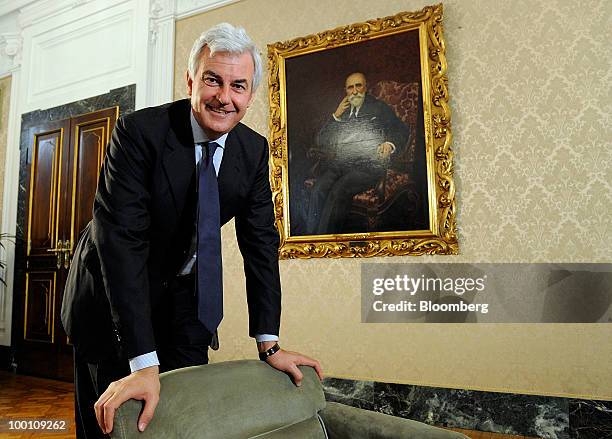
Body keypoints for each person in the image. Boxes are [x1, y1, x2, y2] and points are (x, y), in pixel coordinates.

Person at [61, 23, 322, 438]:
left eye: (238, 85)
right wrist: (143, 362)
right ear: (191, 81)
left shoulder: (252, 151)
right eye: (213, 80)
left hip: (185, 296)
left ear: (250, 95)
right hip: (111, 293)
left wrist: (268, 343)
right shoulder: (138, 134)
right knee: (114, 424)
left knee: (188, 412)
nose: (224, 97)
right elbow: (121, 243)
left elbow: (260, 242)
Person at [307, 72, 411, 234]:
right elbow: (321, 140)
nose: (355, 91)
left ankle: (324, 243)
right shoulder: (343, 111)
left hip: (368, 167)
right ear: (346, 91)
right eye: (350, 87)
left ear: (365, 87)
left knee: (339, 190)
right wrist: (336, 115)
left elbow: (401, 129)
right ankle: (309, 241)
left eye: (358, 86)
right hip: (341, 165)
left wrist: (390, 144)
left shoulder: (378, 107)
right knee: (318, 189)